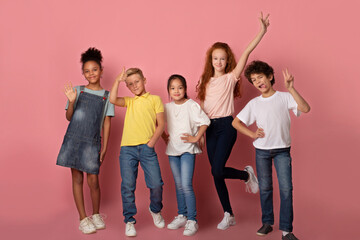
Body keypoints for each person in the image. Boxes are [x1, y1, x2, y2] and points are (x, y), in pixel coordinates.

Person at [195, 12, 270, 230]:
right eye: (215, 58)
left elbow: (247, 52)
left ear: (228, 61)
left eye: (223, 58)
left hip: (227, 126)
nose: (219, 61)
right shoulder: (205, 81)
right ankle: (229, 214)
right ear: (211, 60)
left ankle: (246, 174)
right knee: (215, 173)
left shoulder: (230, 78)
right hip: (209, 128)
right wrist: (199, 133)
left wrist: (261, 32)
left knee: (217, 170)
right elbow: (202, 108)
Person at [232, 61, 310, 240]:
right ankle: (267, 222)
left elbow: (305, 108)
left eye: (260, 76)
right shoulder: (254, 103)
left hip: (282, 150)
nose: (258, 81)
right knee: (265, 188)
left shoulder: (284, 97)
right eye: (253, 79)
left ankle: (286, 231)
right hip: (262, 152)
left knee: (286, 189)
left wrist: (291, 88)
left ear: (270, 76)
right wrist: (252, 134)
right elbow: (235, 122)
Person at [56, 47, 114, 234]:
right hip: (74, 140)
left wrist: (104, 147)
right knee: (77, 178)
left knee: (94, 181)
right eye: (87, 71)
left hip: (92, 142)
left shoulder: (107, 96)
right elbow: (69, 117)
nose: (91, 74)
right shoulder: (77, 91)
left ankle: (95, 214)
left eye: (95, 70)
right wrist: (71, 102)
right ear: (83, 73)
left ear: (101, 70)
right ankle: (83, 218)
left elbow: (106, 123)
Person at [110, 67, 165, 237]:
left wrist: (150, 144)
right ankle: (129, 220)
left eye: (137, 81)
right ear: (127, 86)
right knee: (127, 186)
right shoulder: (129, 101)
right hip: (127, 150)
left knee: (156, 184)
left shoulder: (155, 99)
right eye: (130, 84)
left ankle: (155, 210)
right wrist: (118, 81)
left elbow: (161, 124)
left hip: (147, 149)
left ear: (144, 80)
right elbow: (112, 99)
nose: (134, 85)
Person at [162, 74, 210, 236]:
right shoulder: (166, 107)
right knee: (178, 185)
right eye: (173, 88)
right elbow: (157, 123)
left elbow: (205, 121)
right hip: (173, 150)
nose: (176, 91)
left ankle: (192, 219)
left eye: (180, 87)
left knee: (186, 184)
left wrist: (196, 137)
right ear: (168, 91)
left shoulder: (191, 105)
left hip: (188, 150)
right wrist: (164, 137)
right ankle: (182, 215)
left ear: (185, 89)